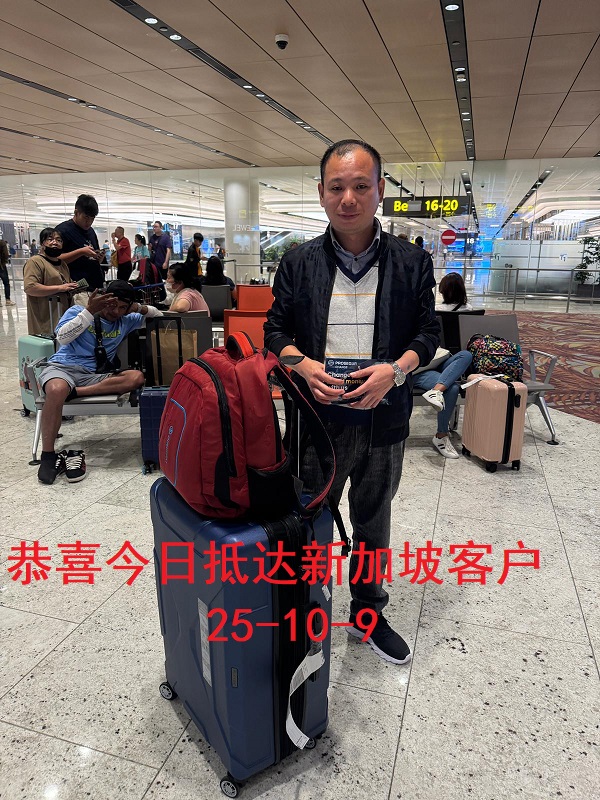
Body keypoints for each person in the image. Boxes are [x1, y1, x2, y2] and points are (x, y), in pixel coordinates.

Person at [264, 139, 439, 666]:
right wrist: (301, 364)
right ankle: (306, 610)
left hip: (384, 418)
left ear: (380, 189)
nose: (348, 198)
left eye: (361, 186)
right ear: (321, 192)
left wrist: (396, 371)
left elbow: (428, 333)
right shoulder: (299, 263)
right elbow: (275, 331)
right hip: (318, 419)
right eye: (337, 187)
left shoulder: (412, 262)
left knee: (373, 521)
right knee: (310, 521)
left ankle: (367, 611)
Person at [37, 281, 163, 486]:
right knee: (57, 389)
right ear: (103, 298)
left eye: (122, 307)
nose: (116, 312)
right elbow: (62, 337)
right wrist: (89, 311)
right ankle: (48, 455)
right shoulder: (77, 311)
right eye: (112, 305)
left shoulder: (126, 320)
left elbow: (158, 315)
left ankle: (76, 392)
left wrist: (137, 307)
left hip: (94, 376)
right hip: (63, 368)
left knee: (136, 377)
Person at [23, 228, 79, 335]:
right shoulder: (35, 262)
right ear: (42, 243)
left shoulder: (62, 264)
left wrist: (72, 287)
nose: (55, 242)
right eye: (50, 239)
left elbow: (65, 284)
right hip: (45, 317)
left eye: (59, 240)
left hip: (63, 315)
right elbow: (30, 287)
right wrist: (59, 288)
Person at [56, 195, 104, 290]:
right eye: (86, 217)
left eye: (92, 218)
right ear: (76, 212)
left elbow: (92, 258)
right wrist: (81, 252)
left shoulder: (91, 231)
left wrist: (98, 257)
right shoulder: (62, 231)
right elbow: (55, 259)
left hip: (95, 285)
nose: (89, 222)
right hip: (76, 287)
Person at [0, 237, 16, 307]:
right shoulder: (2, 243)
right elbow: (6, 254)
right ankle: (8, 300)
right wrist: (4, 261)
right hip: (1, 266)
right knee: (6, 283)